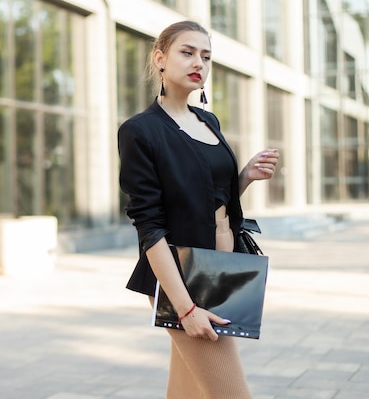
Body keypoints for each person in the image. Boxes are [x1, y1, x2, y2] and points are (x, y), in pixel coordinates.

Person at [117, 20, 279, 399]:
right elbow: (150, 226)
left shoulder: (208, 120)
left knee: (189, 393)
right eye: (187, 52)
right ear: (160, 58)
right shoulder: (140, 131)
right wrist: (185, 307)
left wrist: (245, 177)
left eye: (206, 56)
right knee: (231, 393)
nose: (199, 63)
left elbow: (208, 199)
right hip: (182, 275)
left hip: (221, 267)